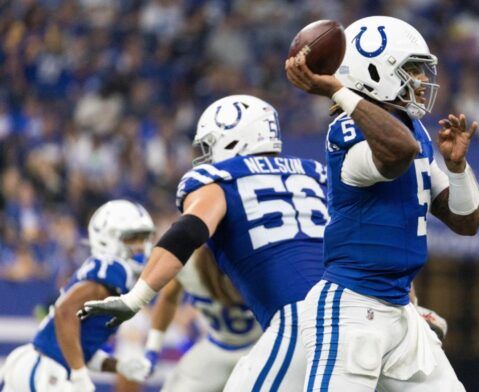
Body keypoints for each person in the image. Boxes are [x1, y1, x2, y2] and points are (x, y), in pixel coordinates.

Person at [78, 95, 329, 391]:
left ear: (235, 138)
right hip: (347, 306)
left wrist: (134, 299)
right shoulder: (316, 174)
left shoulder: (220, 180)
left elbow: (188, 231)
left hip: (291, 325)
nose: (207, 155)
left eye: (210, 145)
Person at [285, 15, 479, 391]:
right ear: (375, 70)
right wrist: (340, 91)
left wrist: (456, 168)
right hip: (352, 308)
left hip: (400, 309)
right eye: (411, 69)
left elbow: (465, 221)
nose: (422, 81)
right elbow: (397, 152)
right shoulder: (348, 127)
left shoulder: (412, 129)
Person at [0, 200, 155, 392]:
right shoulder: (112, 269)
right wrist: (79, 374)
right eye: (132, 238)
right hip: (48, 371)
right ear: (108, 237)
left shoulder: (110, 276)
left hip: (38, 366)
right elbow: (64, 312)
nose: (141, 247)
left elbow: (79, 347)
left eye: (143, 238)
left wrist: (118, 366)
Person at [142, 246, 262, 391]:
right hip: (217, 345)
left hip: (262, 348)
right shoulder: (186, 261)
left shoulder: (260, 259)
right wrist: (153, 346)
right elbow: (168, 298)